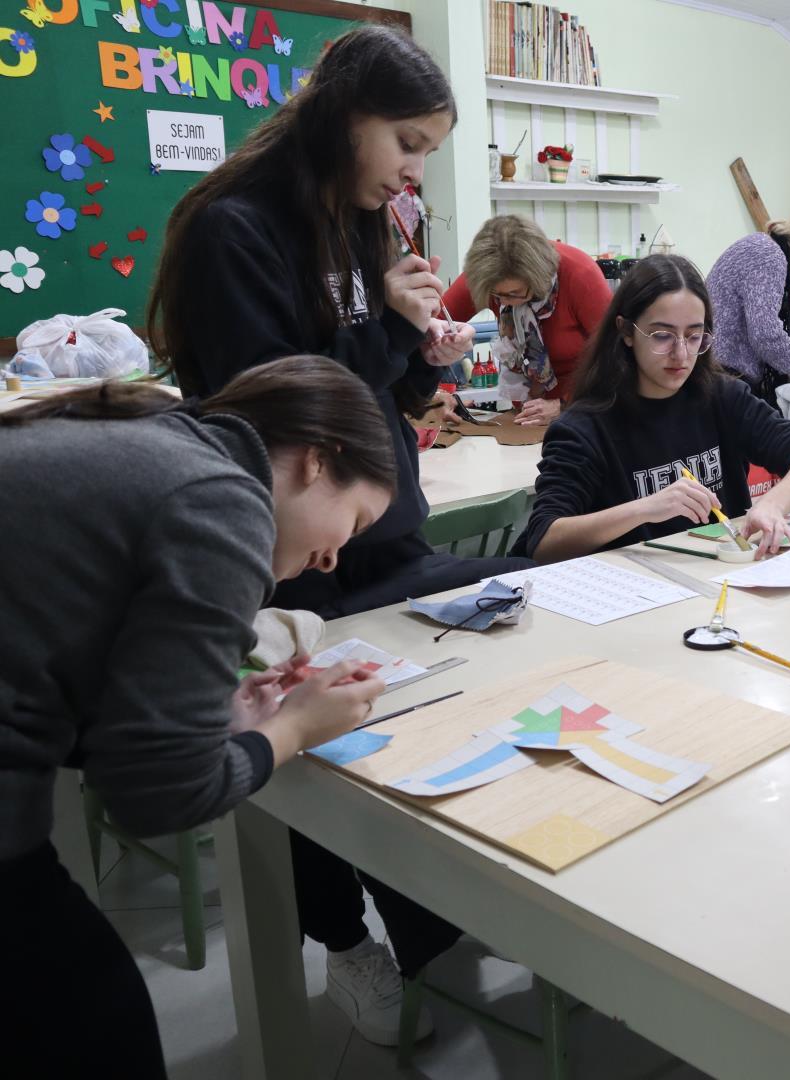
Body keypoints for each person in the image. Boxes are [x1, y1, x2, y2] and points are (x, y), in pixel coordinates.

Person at [146, 25, 532, 1044]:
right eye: (404, 142)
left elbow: (372, 397)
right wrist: (385, 334)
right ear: (343, 115)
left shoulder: (361, 223)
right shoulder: (240, 230)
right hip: (294, 555)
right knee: (323, 755)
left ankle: (438, 914)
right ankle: (344, 937)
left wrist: (421, 350)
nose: (412, 173)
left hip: (385, 533)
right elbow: (280, 417)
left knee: (501, 642)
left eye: (425, 152)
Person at [0, 357, 396, 1077]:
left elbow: (67, 674)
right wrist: (294, 729)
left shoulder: (162, 444)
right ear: (316, 460)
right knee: (94, 1024)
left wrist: (220, 720)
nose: (336, 556)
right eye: (355, 519)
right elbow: (156, 794)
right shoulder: (223, 500)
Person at [512, 255, 790, 562]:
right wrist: (645, 508)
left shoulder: (722, 396)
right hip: (635, 594)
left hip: (722, 582)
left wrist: (772, 505)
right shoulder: (585, 427)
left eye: (694, 337)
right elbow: (545, 541)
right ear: (625, 332)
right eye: (662, 336)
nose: (681, 354)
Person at [440, 214, 612, 426]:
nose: (504, 302)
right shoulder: (488, 275)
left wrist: (563, 406)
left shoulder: (581, 276)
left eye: (514, 293)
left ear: (537, 278)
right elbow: (430, 327)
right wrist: (436, 392)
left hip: (588, 410)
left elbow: (618, 361)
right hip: (527, 416)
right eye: (496, 294)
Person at [706, 207, 790, 405]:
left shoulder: (765, 248)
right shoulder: (769, 256)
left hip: (719, 369)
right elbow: (765, 333)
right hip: (725, 376)